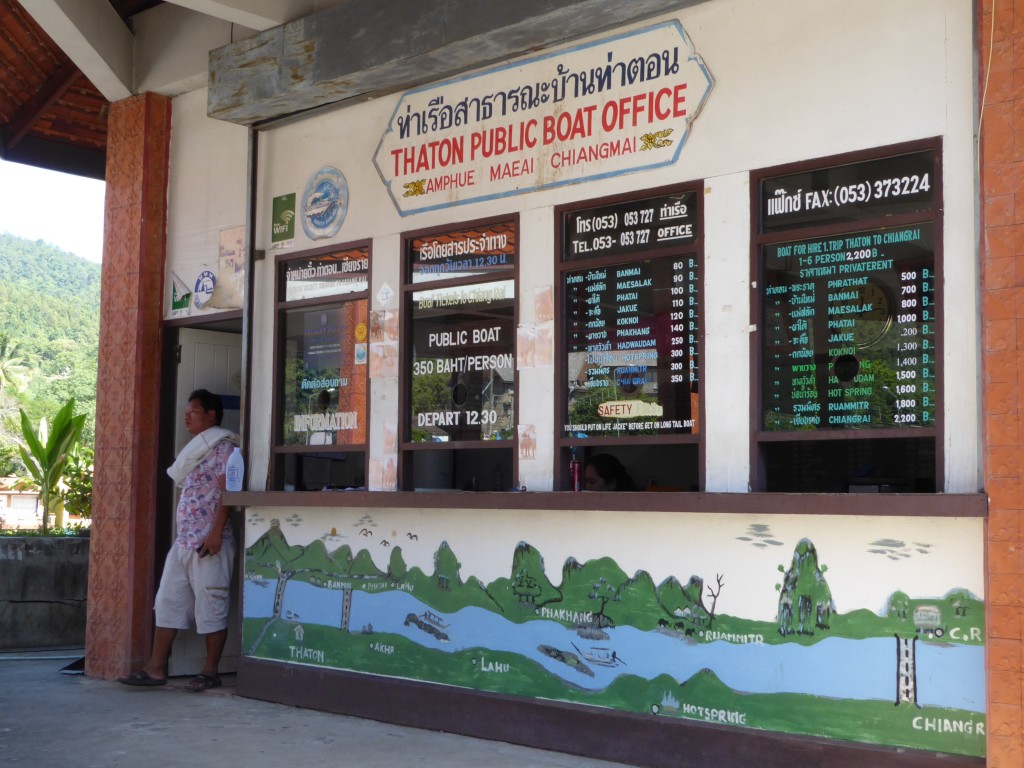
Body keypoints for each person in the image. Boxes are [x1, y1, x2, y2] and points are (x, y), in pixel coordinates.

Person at [118, 389, 238, 692]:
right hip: (184, 541)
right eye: (187, 411)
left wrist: (215, 533)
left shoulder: (223, 448)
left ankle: (210, 672)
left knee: (212, 604)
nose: (187, 415)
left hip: (211, 542)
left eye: (194, 411)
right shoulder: (195, 449)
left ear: (212, 415)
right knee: (168, 602)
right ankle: (155, 669)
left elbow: (229, 494)